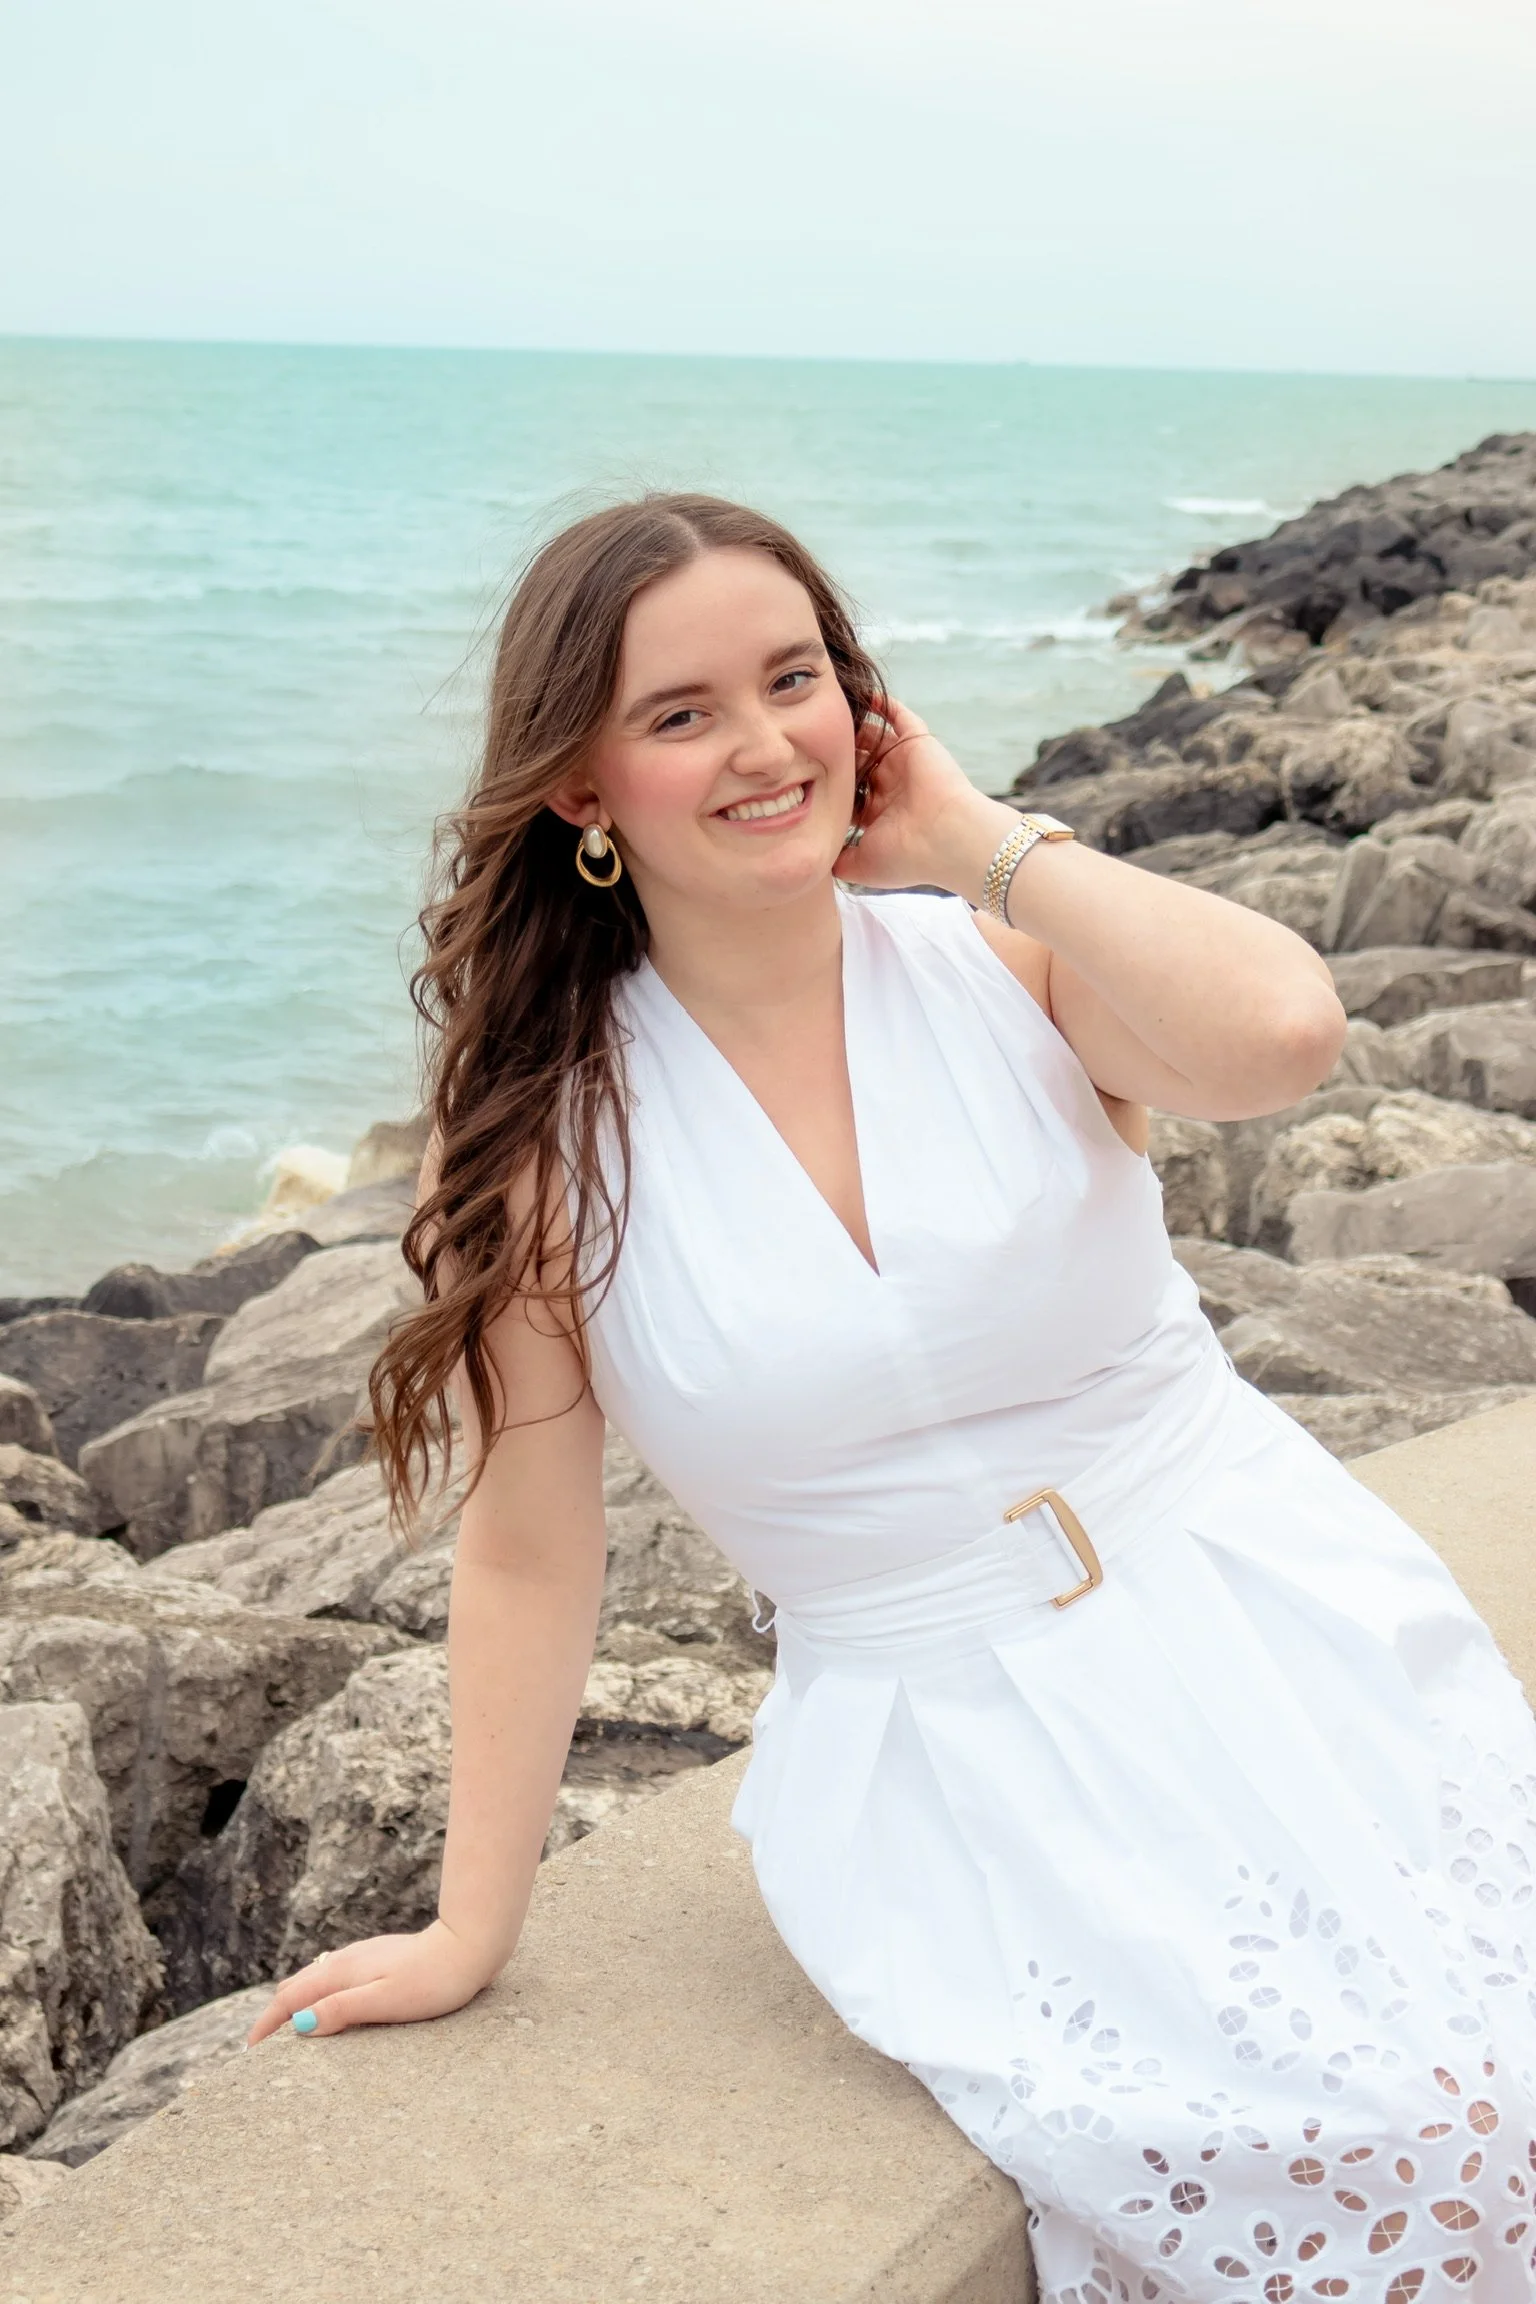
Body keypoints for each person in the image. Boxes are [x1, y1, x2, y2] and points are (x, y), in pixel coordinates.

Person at [250, 493, 1536, 2303]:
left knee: (1499, 2089)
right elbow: (530, 1550)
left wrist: (969, 837)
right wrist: (477, 1924)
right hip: (946, 1765)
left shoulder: (1001, 957)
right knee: (1356, 2158)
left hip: (1272, 1618)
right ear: (580, 789)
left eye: (794, 679)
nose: (766, 742)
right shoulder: (552, 1157)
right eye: (682, 712)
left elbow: (1285, 1037)